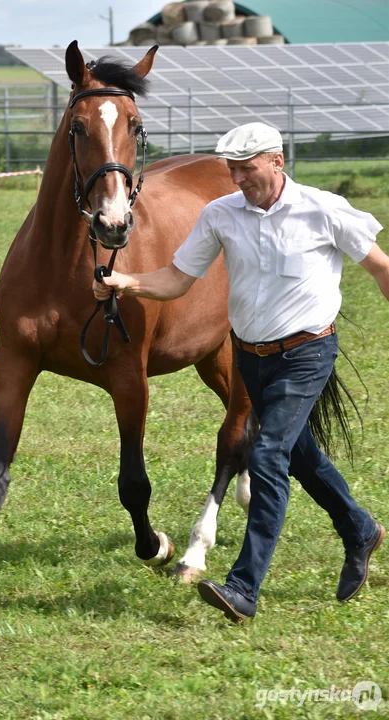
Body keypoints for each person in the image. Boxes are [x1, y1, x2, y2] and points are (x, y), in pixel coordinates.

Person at [92, 122, 388, 624]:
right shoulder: (221, 213)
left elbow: (381, 267)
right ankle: (360, 528)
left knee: (267, 453)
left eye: (246, 169)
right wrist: (127, 282)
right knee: (299, 453)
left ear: (276, 161)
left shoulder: (324, 209)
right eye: (232, 169)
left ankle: (243, 588)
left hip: (307, 351)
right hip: (251, 355)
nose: (237, 179)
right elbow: (178, 278)